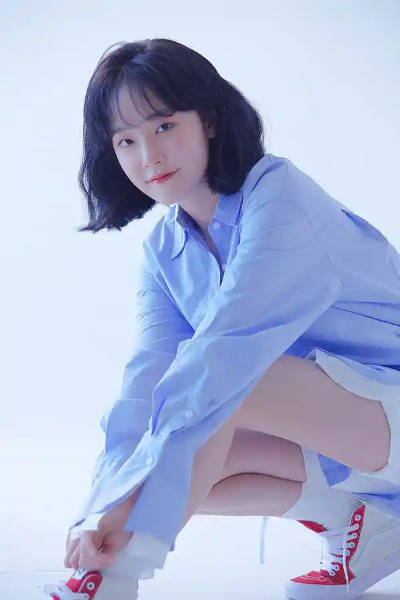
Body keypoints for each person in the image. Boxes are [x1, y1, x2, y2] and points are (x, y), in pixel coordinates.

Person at [44, 38, 400, 600]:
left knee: (220, 392)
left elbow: (226, 354)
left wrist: (128, 512)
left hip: (387, 406)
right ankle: (364, 522)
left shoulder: (279, 199)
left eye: (164, 126)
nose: (148, 156)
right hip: (347, 431)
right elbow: (145, 384)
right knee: (174, 454)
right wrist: (103, 501)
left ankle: (111, 580)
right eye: (126, 140)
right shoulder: (164, 251)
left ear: (208, 119)